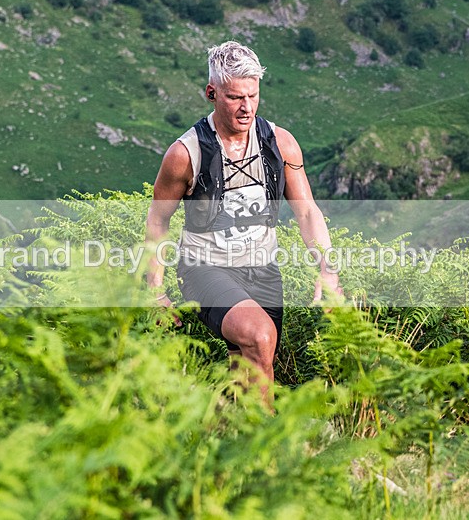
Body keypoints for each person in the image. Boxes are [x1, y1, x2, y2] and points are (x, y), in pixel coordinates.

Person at [145, 40, 341, 407]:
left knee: (252, 364)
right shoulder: (186, 153)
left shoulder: (280, 144)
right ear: (211, 92)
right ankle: (268, 454)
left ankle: (217, 433)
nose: (246, 107)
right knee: (260, 336)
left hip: (263, 269)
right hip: (205, 268)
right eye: (235, 97)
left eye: (253, 96)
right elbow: (158, 220)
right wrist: (154, 289)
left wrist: (328, 272)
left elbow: (308, 212)